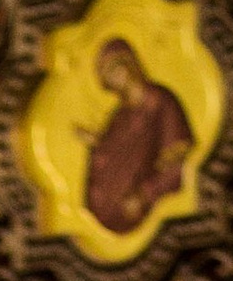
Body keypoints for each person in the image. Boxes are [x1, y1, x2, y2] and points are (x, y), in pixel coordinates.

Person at [81, 34, 194, 237]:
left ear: (130, 64)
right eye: (107, 75)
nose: (114, 77)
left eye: (116, 68)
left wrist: (145, 195)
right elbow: (114, 157)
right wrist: (98, 145)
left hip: (154, 217)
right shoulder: (119, 116)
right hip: (108, 220)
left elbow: (179, 160)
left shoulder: (160, 102)